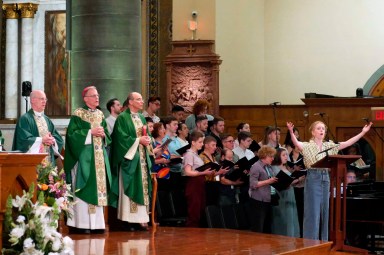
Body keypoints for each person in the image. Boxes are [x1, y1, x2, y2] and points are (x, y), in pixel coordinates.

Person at [286, 120, 372, 240]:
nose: (322, 130)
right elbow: (296, 142)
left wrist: (362, 132)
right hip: (313, 177)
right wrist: (291, 131)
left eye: (323, 129)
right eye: (319, 128)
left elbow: (347, 143)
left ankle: (324, 241)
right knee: (313, 212)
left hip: (325, 177)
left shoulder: (329, 146)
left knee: (325, 212)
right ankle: (311, 241)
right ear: (313, 132)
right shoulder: (307, 145)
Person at [64, 86, 112, 233]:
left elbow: (107, 137)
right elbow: (71, 136)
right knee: (83, 187)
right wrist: (90, 132)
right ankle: (81, 224)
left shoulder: (100, 114)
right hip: (84, 159)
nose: (97, 98)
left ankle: (97, 225)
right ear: (85, 98)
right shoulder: (78, 113)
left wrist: (104, 136)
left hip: (98, 157)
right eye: (93, 96)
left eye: (97, 95)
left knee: (99, 189)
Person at [109, 92, 154, 231]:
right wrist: (137, 141)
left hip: (142, 160)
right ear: (130, 102)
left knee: (142, 188)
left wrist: (148, 140)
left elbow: (148, 135)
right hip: (130, 160)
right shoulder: (122, 118)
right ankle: (128, 220)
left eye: (141, 99)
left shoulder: (141, 117)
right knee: (130, 188)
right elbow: (120, 139)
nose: (142, 102)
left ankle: (140, 220)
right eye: (139, 99)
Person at [12, 90, 64, 166]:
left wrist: (52, 140)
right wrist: (42, 140)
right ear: (33, 100)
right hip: (33, 165)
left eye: (45, 99)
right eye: (42, 99)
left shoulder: (46, 119)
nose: (44, 101)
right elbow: (23, 141)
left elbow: (58, 139)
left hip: (48, 162)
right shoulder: (25, 119)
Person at [183, 130, 215, 227]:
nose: (202, 144)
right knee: (194, 210)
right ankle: (191, 234)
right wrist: (203, 172)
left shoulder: (195, 154)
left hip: (199, 184)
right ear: (193, 142)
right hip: (193, 184)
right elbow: (187, 171)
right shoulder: (189, 154)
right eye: (200, 142)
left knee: (200, 209)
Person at [271, 148, 303, 237]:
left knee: (291, 215)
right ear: (278, 156)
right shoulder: (274, 168)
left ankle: (292, 235)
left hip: (290, 193)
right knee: (284, 216)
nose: (286, 157)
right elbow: (281, 182)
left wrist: (293, 173)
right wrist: (298, 180)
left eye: (286, 155)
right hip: (281, 195)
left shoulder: (285, 167)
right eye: (283, 155)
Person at [248, 146, 277, 233]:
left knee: (267, 226)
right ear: (264, 156)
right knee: (258, 226)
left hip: (267, 199)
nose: (273, 158)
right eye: (271, 156)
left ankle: (266, 246)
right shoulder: (256, 167)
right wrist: (269, 181)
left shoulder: (268, 167)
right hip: (258, 200)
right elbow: (253, 184)